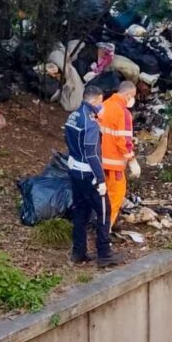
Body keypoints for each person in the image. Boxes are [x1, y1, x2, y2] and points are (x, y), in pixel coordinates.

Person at [65, 86, 123, 267]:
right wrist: (100, 179)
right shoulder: (89, 122)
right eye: (100, 101)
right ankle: (104, 253)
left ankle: (78, 252)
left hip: (74, 170)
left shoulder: (73, 116)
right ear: (96, 99)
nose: (102, 104)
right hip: (88, 174)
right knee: (104, 212)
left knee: (80, 212)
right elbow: (92, 154)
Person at [98, 80, 140, 228]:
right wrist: (132, 160)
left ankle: (98, 224)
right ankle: (104, 231)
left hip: (99, 161)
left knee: (101, 196)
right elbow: (123, 141)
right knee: (115, 197)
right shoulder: (123, 113)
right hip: (115, 164)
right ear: (128, 94)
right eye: (133, 96)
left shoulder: (104, 105)